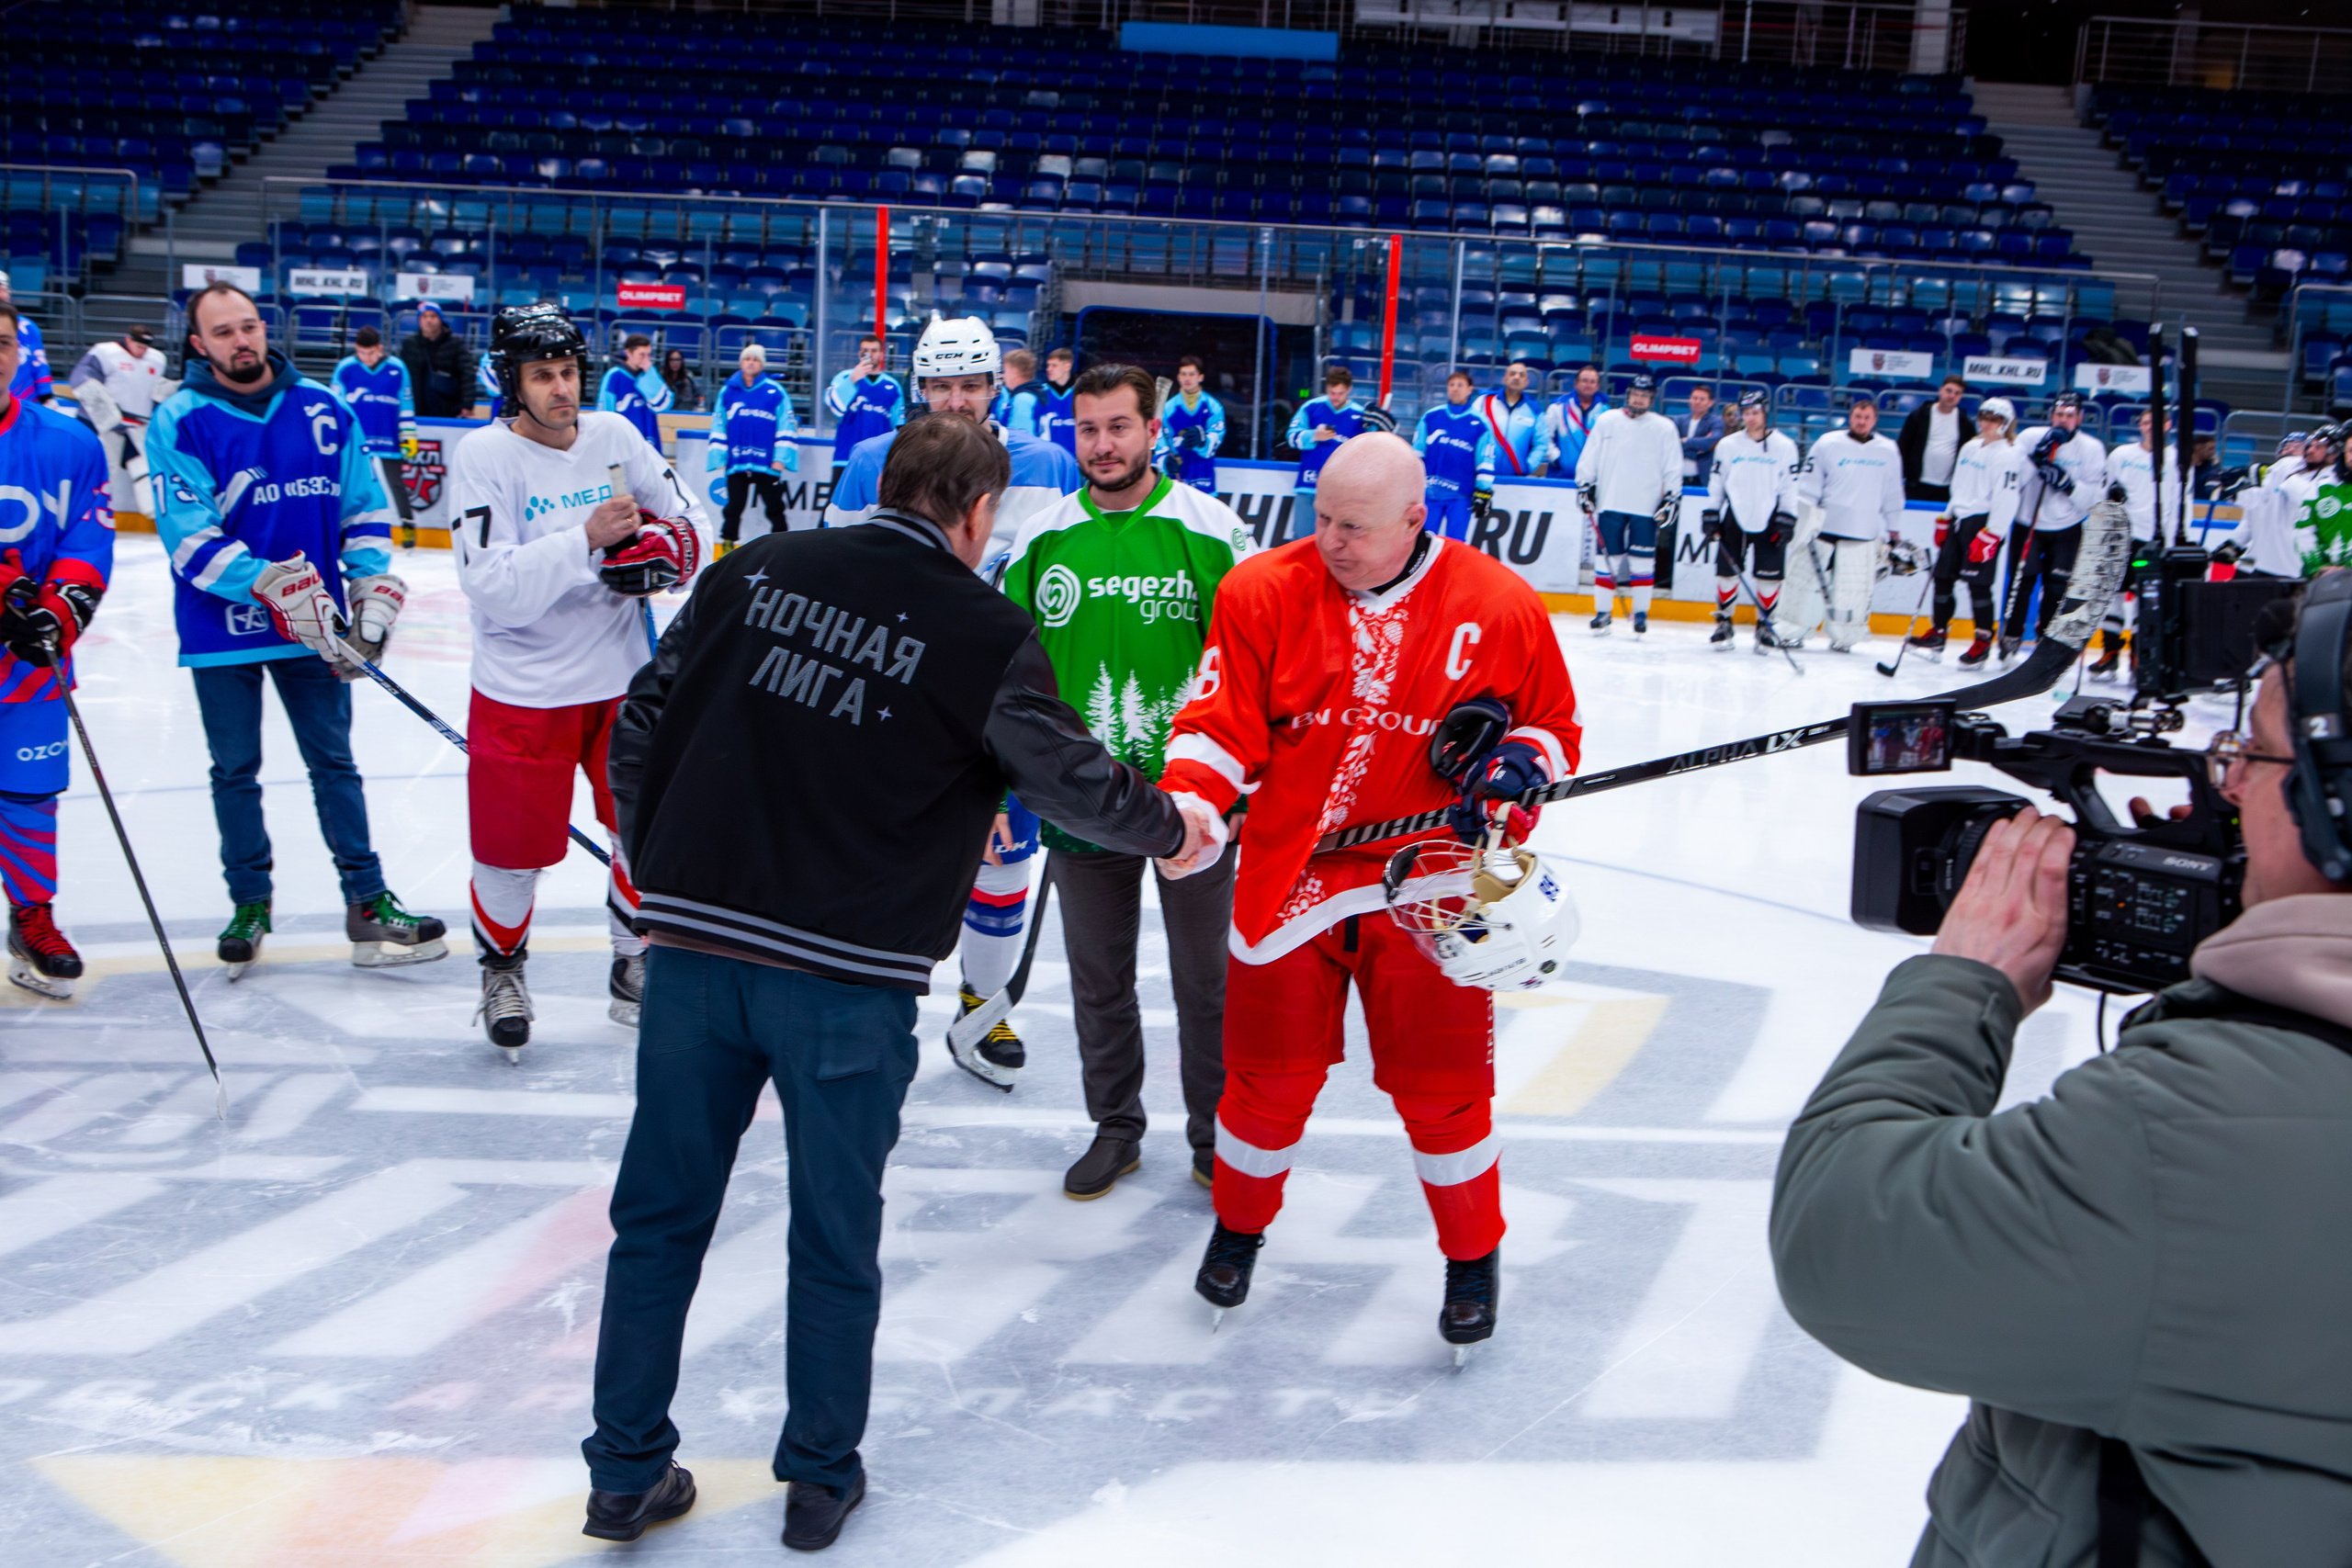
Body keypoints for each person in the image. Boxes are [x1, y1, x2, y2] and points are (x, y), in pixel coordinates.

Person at [585, 413, 1210, 1553]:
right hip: (844, 983)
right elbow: (1070, 781)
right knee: (833, 1231)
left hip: (695, 958)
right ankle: (818, 1480)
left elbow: (640, 722)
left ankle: (623, 1471)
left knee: (658, 1217)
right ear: (975, 514)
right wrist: (1170, 828)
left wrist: (659, 857)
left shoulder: (754, 567)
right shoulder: (982, 628)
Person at [1770, 576, 2352, 1566]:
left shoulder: (2197, 1138)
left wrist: (1962, 985)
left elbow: (1846, 1237)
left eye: (2247, 752)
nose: (2224, 786)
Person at [1159, 431, 1582, 1351]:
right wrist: (1192, 803)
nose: (1331, 542)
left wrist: (1517, 767)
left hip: (1426, 889)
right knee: (1265, 1085)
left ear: (1414, 520)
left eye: (1354, 526)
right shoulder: (1263, 589)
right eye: (1321, 519)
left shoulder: (1497, 605)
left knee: (1443, 1091)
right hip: (1287, 880)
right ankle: (1237, 1231)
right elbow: (1218, 724)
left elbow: (1552, 726)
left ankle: (1472, 1257)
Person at [1000, 362, 1251, 1197]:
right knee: (1099, 978)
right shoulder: (1041, 540)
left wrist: (1252, 782)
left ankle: (1216, 1134)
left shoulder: (1211, 531)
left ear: (1152, 430)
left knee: (1206, 980)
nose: (1102, 445)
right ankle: (1116, 1127)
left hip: (1195, 804)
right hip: (1083, 804)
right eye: (1088, 429)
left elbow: (1257, 667)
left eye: (1118, 427)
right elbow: (1006, 681)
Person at [145, 282, 446, 974]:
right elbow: (188, 537)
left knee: (334, 763)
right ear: (199, 344)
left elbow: (363, 507)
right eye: (223, 333)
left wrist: (368, 586)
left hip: (313, 628)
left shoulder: (323, 406)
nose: (240, 341)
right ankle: (249, 901)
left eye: (248, 326)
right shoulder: (181, 420)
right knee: (235, 770)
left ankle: (367, 901)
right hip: (221, 628)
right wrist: (275, 586)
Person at [822, 316, 1083, 1079]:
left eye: (971, 383)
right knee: (875, 856)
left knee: (1002, 861)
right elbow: (836, 572)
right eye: (941, 384)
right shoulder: (874, 460)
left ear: (996, 383)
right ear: (920, 387)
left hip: (1001, 703)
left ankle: (983, 1003)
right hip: (892, 695)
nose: (956, 400)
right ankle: (869, 996)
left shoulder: (1046, 465)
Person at [447, 303, 707, 1053]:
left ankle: (633, 960)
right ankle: (502, 968)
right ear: (511, 382)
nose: (561, 388)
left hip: (624, 680)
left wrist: (667, 548)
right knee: (510, 852)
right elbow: (490, 582)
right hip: (522, 692)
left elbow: (693, 516)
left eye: (567, 372)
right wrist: (588, 544)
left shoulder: (616, 435)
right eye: (542, 375)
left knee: (641, 830)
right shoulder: (484, 457)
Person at [0, 301, 113, 1000]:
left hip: (30, 666)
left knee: (32, 796)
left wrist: (55, 612)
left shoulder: (68, 443)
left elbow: (85, 539)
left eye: (1, 340)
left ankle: (32, 916)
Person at [1907, 397, 2029, 668]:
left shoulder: (2008, 456)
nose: (1986, 423)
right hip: (1959, 519)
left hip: (1982, 523)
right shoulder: (1970, 447)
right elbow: (1959, 487)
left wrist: (1992, 534)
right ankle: (1938, 633)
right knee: (1942, 577)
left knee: (1978, 585)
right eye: (1984, 417)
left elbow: (2007, 498)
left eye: (1994, 419)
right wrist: (1946, 517)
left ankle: (1983, 641)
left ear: (2005, 424)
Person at [1788, 393, 1907, 653]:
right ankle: (1791, 629)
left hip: (1862, 530)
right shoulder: (1827, 443)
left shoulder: (1887, 450)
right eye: (1857, 416)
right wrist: (1805, 521)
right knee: (1803, 582)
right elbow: (1808, 486)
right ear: (1850, 417)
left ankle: (1845, 636)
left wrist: (1893, 528)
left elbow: (1892, 493)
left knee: (1852, 589)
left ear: (1875, 420)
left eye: (1867, 417)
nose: (1861, 421)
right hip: (1824, 528)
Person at [2003, 389, 2109, 660]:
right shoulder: (2030, 438)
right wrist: (2035, 458)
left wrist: (2068, 485)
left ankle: (2045, 640)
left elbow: (2094, 501)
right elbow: (2013, 481)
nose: (2064, 420)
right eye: (2059, 414)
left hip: (2067, 527)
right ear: (2052, 415)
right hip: (2028, 524)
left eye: (2070, 415)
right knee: (2021, 584)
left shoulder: (2092, 448)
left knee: (2056, 588)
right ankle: (2011, 635)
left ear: (2080, 418)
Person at [1574, 371, 1682, 637]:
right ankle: (1603, 613)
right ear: (1628, 395)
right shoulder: (1607, 420)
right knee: (1606, 560)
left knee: (1642, 562)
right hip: (1611, 502)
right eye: (1636, 394)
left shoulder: (1664, 427)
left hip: (1646, 507)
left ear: (1652, 399)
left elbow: (1673, 466)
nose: (1640, 399)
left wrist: (1671, 497)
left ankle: (1641, 614)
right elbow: (1590, 455)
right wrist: (1584, 485)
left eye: (1645, 396)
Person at [1703, 389, 1800, 653]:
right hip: (1735, 515)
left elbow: (1790, 487)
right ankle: (1724, 623)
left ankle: (1765, 627)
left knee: (1769, 578)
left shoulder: (1784, 446)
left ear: (1765, 413)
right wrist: (1711, 513)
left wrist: (1787, 518)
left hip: (1771, 518)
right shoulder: (1728, 445)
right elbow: (1717, 481)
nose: (1750, 417)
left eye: (1755, 412)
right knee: (1726, 574)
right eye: (1746, 412)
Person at [2092, 408, 2183, 681]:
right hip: (2121, 536)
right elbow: (2104, 490)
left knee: (2147, 600)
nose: (2148, 427)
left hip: (2153, 539)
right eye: (2144, 422)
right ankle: (2110, 652)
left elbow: (2180, 501)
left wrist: (2174, 537)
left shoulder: (2176, 459)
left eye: (2153, 422)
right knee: (2113, 595)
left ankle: (2139, 655)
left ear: (2166, 425)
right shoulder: (2121, 455)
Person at [705, 343, 800, 556]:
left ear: (762, 364)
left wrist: (781, 458)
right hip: (737, 461)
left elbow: (787, 424)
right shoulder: (728, 391)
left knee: (775, 506)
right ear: (741, 362)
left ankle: (782, 546)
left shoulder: (775, 391)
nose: (751, 362)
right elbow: (718, 424)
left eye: (756, 359)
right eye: (748, 358)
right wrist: (720, 456)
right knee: (733, 508)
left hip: (767, 462)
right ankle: (727, 546)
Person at [330, 326, 421, 547]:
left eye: (371, 353)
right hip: (357, 441)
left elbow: (406, 404)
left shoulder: (397, 368)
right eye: (362, 353)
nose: (367, 358)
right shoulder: (345, 369)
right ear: (356, 349)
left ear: (380, 348)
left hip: (388, 437)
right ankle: (337, 528)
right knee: (350, 486)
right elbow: (334, 406)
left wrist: (408, 435)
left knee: (396, 485)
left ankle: (408, 527)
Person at [65, 323, 165, 518]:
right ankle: (87, 513)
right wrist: (107, 414)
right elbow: (81, 379)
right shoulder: (104, 352)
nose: (142, 352)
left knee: (144, 469)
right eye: (139, 347)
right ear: (128, 340)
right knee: (103, 471)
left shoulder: (157, 359)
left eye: (145, 348)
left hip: (137, 427)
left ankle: (157, 516)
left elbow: (156, 390)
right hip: (106, 426)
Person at [1413, 368, 1498, 542]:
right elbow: (1417, 453)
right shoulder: (1431, 417)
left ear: (1470, 389)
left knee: (1456, 544)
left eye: (1460, 385)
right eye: (1451, 384)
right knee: (1423, 542)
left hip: (1461, 495)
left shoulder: (1480, 422)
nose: (1455, 388)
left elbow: (1485, 460)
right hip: (1430, 493)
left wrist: (1483, 490)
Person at [1285, 366, 1367, 513]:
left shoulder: (1361, 415)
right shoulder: (1311, 407)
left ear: (1349, 389)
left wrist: (1380, 429)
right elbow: (1291, 437)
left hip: (1342, 493)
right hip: (1309, 486)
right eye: (1332, 392)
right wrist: (1314, 436)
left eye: (1340, 393)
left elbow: (1371, 451)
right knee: (1303, 536)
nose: (1335, 397)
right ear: (1326, 387)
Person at [824, 334, 904, 478]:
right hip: (845, 456)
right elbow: (833, 408)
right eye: (865, 350)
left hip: (878, 460)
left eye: (874, 350)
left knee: (877, 500)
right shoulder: (844, 377)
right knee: (837, 500)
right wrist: (853, 379)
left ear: (881, 354)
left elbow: (899, 425)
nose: (869, 354)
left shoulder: (892, 386)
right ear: (859, 353)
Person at [1156, 354, 1227, 495]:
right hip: (1176, 476)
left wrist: (1203, 442)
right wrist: (1165, 461)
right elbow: (1159, 439)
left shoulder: (1213, 406)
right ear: (1178, 377)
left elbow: (1217, 435)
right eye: (1183, 374)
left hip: (1202, 474)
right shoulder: (1168, 409)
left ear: (1200, 377)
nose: (1187, 378)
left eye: (1192, 374)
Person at [1897, 375, 1972, 504]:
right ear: (1941, 390)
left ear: (1961, 396)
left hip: (1947, 488)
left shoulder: (1965, 423)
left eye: (1957, 393)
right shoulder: (1918, 416)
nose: (1952, 396)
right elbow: (1903, 446)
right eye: (1949, 391)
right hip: (1917, 485)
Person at [399, 299, 474, 419]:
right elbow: (402, 375)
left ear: (440, 319)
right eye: (424, 316)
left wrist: (467, 405)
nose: (428, 320)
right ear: (419, 321)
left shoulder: (456, 343)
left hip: (449, 409)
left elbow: (467, 375)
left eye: (433, 316)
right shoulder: (410, 344)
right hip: (416, 408)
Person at [597, 334, 672, 454]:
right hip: (621, 442)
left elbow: (664, 404)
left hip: (647, 439)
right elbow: (605, 412)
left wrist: (650, 374)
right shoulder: (614, 376)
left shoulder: (649, 375)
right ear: (629, 353)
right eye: (642, 354)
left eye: (648, 355)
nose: (646, 360)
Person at [2295, 429, 2352, 575]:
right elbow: (2304, 531)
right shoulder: (2319, 489)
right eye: (2351, 451)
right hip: (2322, 581)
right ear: (2343, 453)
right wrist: (2317, 567)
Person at [1476, 360, 1544, 481]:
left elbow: (1541, 444)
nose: (1517, 377)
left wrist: (1528, 467)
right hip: (1481, 476)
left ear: (1527, 382)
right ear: (1504, 379)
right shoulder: (1484, 402)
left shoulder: (1535, 411)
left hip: (1516, 480)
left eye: (1521, 375)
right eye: (1512, 374)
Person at [1538, 363, 1606, 479]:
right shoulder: (1558, 407)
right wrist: (1558, 460)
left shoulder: (1606, 412)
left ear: (1598, 386)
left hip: (1592, 478)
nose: (1588, 385)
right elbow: (1544, 438)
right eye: (1584, 380)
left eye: (1592, 381)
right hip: (1559, 476)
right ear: (1576, 384)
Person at [0, 272, 52, 406]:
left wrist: (46, 396)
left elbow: (39, 363)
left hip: (24, 405)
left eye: (3, 289)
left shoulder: (27, 327)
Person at [1675, 383, 1724, 489]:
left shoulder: (1716, 422)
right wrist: (1696, 451)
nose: (1697, 402)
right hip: (1677, 478)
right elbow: (1672, 444)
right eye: (1695, 398)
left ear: (1710, 402)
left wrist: (1685, 441)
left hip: (1701, 479)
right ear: (1690, 400)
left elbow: (1710, 443)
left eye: (1702, 399)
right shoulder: (1679, 420)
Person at [1036, 345, 1078, 456]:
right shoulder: (1041, 394)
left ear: (1067, 366)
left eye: (1054, 365)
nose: (1049, 369)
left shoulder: (1080, 393)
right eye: (1048, 366)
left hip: (1076, 461)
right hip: (1049, 458)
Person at [998, 347, 1041, 435]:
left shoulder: (1022, 399)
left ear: (1015, 372)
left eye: (1005, 370)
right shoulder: (1030, 395)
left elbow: (1020, 438)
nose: (1003, 375)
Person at [659, 346, 700, 413]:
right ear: (667, 361)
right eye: (672, 359)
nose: (675, 363)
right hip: (665, 414)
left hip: (686, 414)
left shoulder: (689, 377)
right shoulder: (660, 378)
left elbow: (697, 395)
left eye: (678, 359)